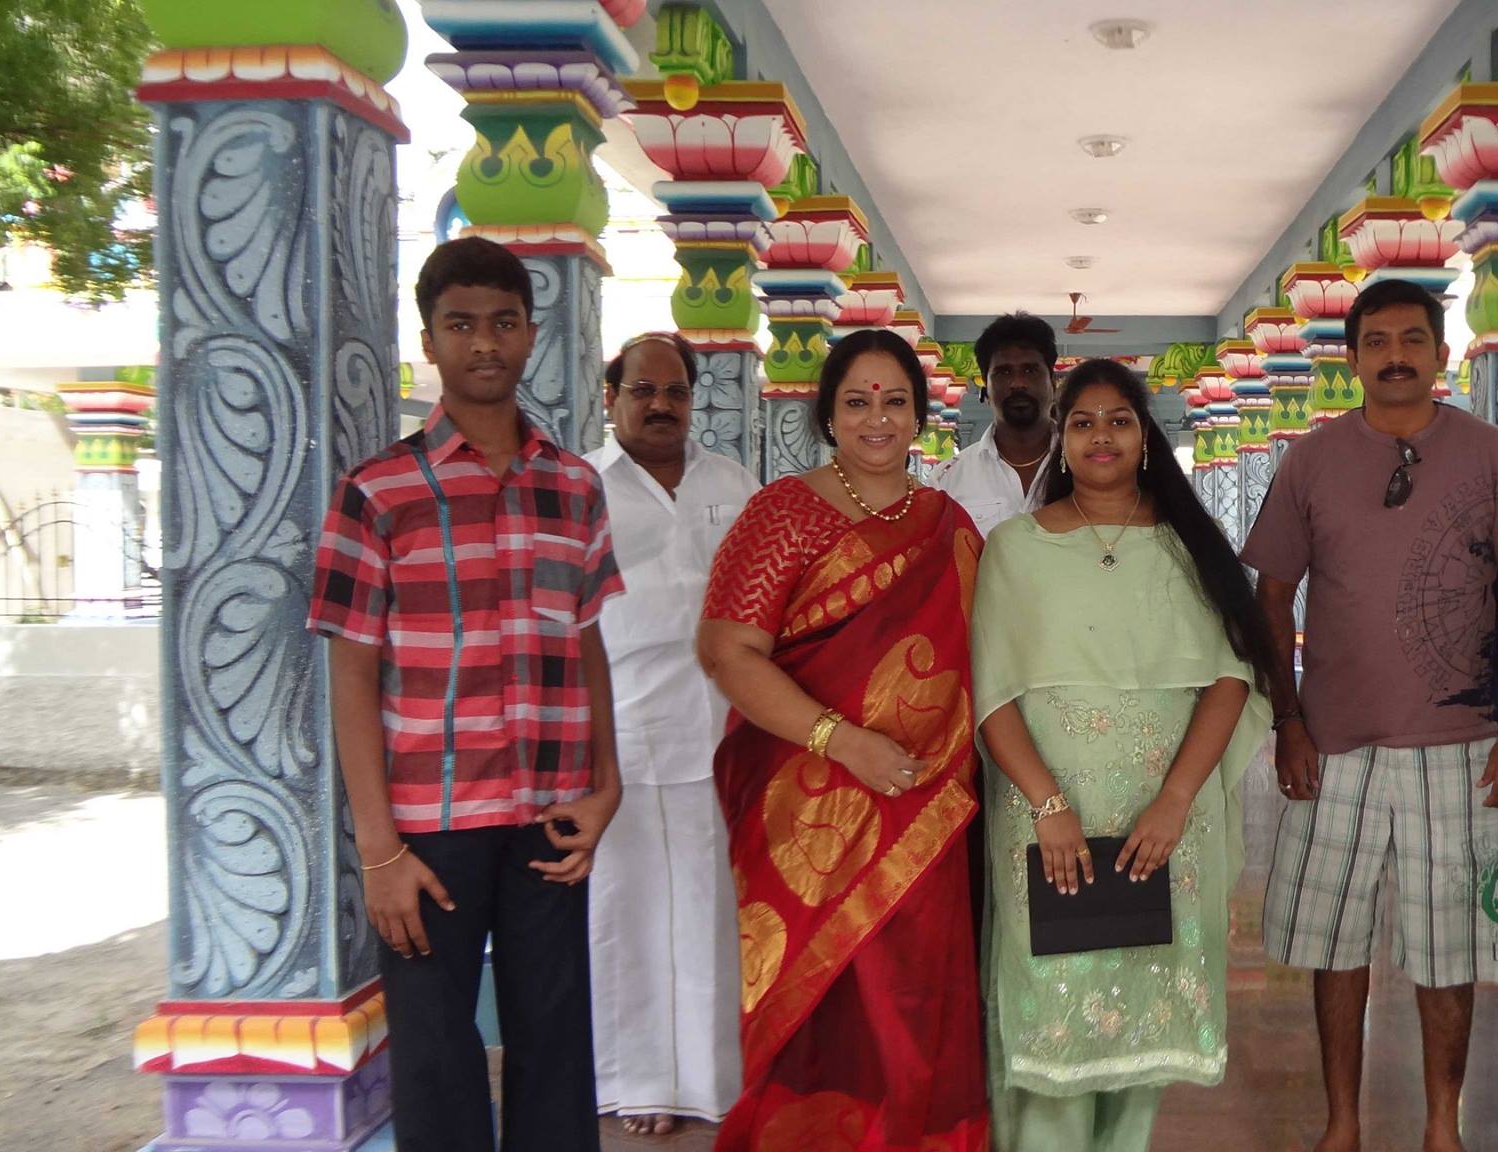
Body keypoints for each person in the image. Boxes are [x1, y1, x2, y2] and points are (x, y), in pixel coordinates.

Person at [307, 236, 623, 1152]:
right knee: (438, 1054)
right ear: (430, 341)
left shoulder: (573, 487)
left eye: (503, 322)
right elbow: (351, 673)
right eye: (461, 325)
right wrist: (379, 852)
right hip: (428, 829)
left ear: (530, 334)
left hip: (550, 816)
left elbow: (587, 642)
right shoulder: (377, 494)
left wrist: (607, 787)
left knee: (555, 1040)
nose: (484, 342)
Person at [1240, 278, 1498, 1152]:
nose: (1395, 356)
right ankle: (1342, 1124)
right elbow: (1271, 597)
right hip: (1332, 746)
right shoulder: (1311, 461)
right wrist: (1287, 721)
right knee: (1333, 943)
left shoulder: (1495, 457)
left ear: (1441, 354)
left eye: (1412, 339)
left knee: (1448, 950)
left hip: (1462, 749)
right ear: (1351, 358)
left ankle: (1440, 1127)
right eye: (1377, 341)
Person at [696, 328, 990, 1151]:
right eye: (857, 402)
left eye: (895, 401)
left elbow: (982, 659)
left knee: (916, 997)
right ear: (828, 414)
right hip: (806, 811)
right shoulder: (782, 513)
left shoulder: (948, 523)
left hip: (920, 808)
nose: (877, 419)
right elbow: (726, 651)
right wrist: (843, 741)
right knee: (825, 1001)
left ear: (920, 416)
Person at [971, 359, 1275, 1151]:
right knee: (1054, 1023)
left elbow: (1230, 680)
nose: (1100, 436)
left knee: (1145, 1027)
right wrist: (1049, 806)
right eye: (1082, 422)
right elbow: (993, 697)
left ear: (1145, 438)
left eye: (1119, 420)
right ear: (1060, 441)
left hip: (1165, 824)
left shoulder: (1188, 547)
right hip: (1049, 823)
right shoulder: (1013, 549)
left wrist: (1174, 801)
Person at [586, 331, 760, 1135]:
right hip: (619, 737)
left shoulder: (733, 484)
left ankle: (717, 1083)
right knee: (627, 920)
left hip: (720, 734)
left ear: (694, 400)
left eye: (676, 392)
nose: (661, 405)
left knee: (711, 915)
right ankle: (644, 1086)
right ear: (611, 398)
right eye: (643, 391)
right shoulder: (583, 488)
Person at [929, 311, 1058, 537]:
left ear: (1053, 383)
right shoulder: (947, 479)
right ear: (985, 389)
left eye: (1030, 370)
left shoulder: (1083, 467)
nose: (1017, 383)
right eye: (1003, 372)